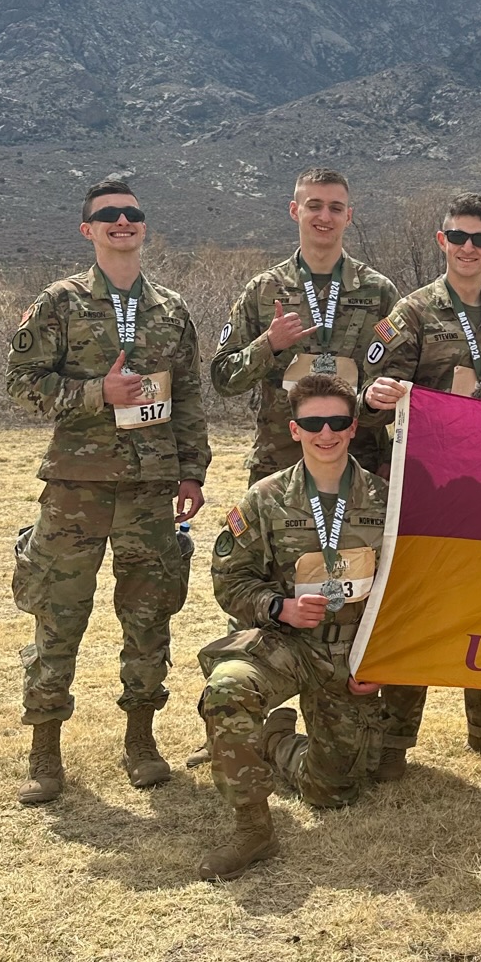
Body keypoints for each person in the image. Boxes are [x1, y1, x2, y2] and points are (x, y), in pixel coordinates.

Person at [7, 178, 209, 804]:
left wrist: (191, 472)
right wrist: (98, 392)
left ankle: (141, 739)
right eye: (108, 216)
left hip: (151, 488)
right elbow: (21, 382)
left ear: (144, 226)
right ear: (87, 229)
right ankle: (45, 749)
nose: (122, 223)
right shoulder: (60, 303)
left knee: (149, 616)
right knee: (58, 612)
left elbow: (190, 396)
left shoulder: (172, 310)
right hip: (77, 486)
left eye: (132, 215)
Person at [360, 193, 481, 772]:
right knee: (413, 601)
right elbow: (371, 389)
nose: (469, 248)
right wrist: (375, 398)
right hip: (424, 486)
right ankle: (395, 738)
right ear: (442, 241)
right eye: (458, 237)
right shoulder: (411, 313)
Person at [195, 375, 387, 880]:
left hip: (351, 656)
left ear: (353, 427)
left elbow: (411, 591)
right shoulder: (264, 499)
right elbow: (229, 578)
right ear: (294, 430)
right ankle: (252, 829)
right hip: (286, 643)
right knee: (227, 690)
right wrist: (278, 607)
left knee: (333, 793)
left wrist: (384, 657)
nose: (327, 433)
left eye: (338, 422)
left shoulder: (387, 501)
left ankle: (278, 741)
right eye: (312, 423)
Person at [210, 167, 398, 482]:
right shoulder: (263, 290)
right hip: (278, 467)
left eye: (335, 208)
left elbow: (404, 385)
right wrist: (267, 345)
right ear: (295, 210)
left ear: (348, 216)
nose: (325, 216)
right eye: (314, 205)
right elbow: (224, 379)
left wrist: (391, 459)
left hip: (360, 469)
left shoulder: (379, 292)